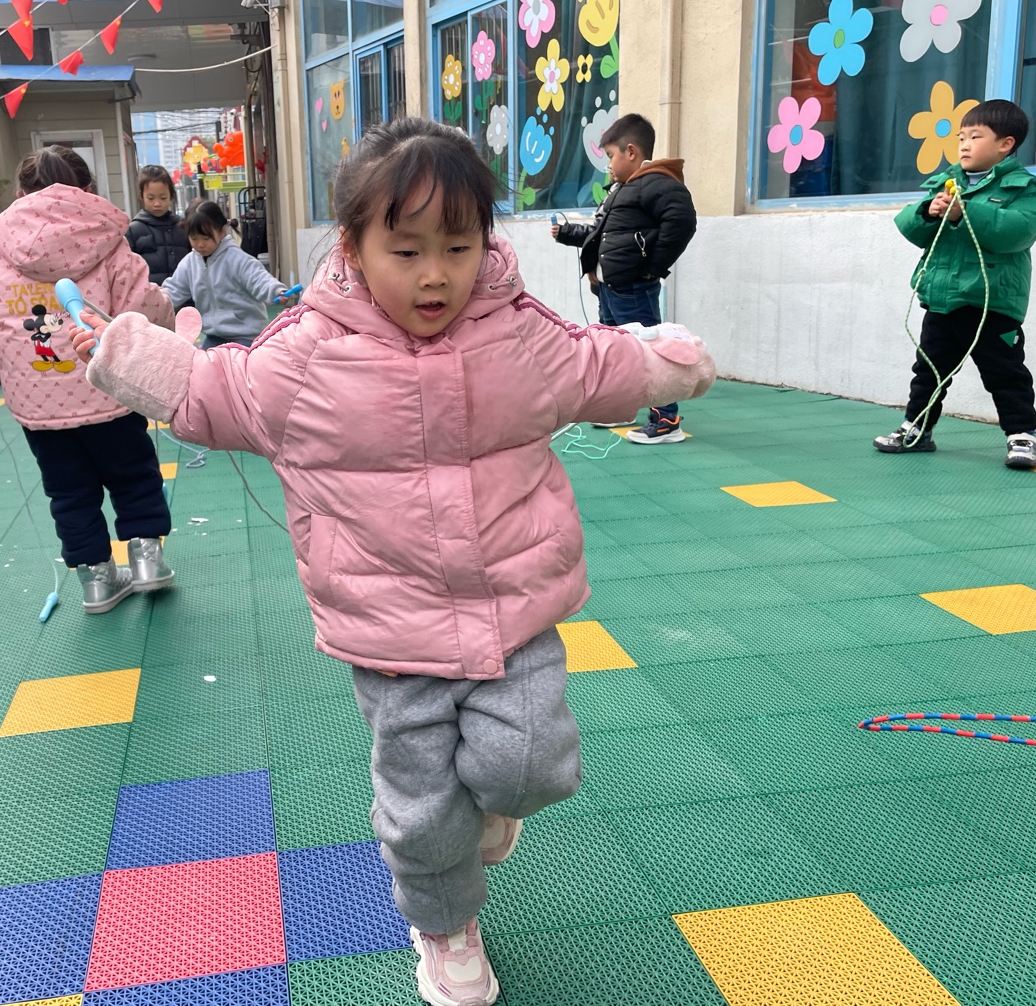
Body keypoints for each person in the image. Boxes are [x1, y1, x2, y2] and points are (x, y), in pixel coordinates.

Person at [69, 118, 714, 1006]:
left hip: (512, 609)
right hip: (389, 630)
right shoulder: (305, 354)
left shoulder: (517, 333)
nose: (435, 274)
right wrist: (124, 355)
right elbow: (215, 390)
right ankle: (446, 930)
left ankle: (490, 813)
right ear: (354, 246)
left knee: (534, 765)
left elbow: (593, 366)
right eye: (406, 251)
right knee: (423, 814)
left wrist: (663, 361)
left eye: (458, 247)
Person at [0, 144, 179, 615]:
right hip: (108, 388)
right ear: (86, 190)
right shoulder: (105, 239)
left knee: (69, 492)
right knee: (134, 473)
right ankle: (146, 561)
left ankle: (97, 582)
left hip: (38, 405)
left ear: (19, 195)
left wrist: (3, 343)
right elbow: (142, 308)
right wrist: (167, 314)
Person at [874, 100, 1036, 470]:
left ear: (1006, 144)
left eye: (975, 137)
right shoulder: (945, 182)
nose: (964, 145)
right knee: (928, 372)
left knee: (1005, 374)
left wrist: (966, 212)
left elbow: (1018, 231)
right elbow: (911, 228)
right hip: (942, 301)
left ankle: (1021, 435)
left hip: (992, 304)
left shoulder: (1022, 187)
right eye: (961, 137)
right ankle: (917, 429)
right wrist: (927, 212)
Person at [552, 113, 698, 443]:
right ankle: (620, 407)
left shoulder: (657, 183)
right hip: (610, 289)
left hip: (633, 287)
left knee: (650, 351)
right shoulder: (622, 190)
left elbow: (682, 222)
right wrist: (567, 234)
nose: (608, 165)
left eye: (610, 156)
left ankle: (666, 420)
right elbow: (601, 233)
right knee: (615, 351)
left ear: (631, 152)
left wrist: (652, 266)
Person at [162, 200, 288, 348]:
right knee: (203, 361)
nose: (200, 244)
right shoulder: (189, 263)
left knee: (237, 362)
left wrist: (276, 290)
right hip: (214, 336)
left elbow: (259, 278)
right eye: (194, 238)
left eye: (206, 238)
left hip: (246, 334)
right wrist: (155, 302)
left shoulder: (237, 259)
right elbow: (174, 289)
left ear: (222, 231)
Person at [125, 165, 191, 287]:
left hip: (183, 295)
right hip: (148, 295)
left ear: (171, 195)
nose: (157, 203)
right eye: (151, 198)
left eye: (163, 198)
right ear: (142, 196)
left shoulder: (182, 227)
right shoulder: (133, 231)